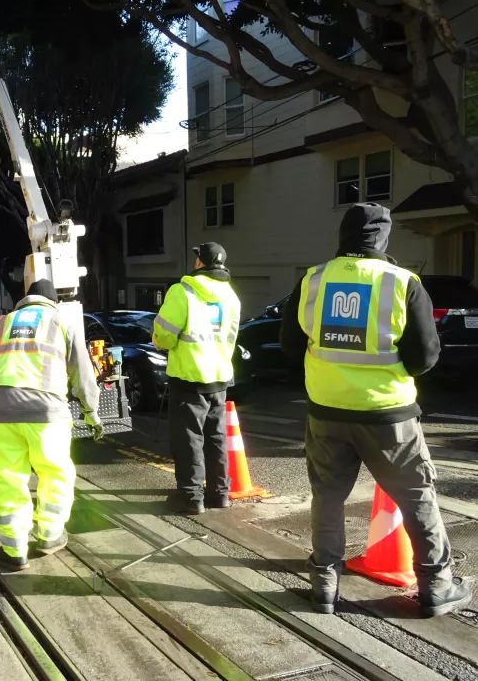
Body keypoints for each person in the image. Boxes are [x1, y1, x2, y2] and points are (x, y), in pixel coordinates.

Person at [280, 203, 472, 617]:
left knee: (327, 497)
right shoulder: (403, 282)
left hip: (326, 410)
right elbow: (424, 356)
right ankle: (436, 586)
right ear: (383, 239)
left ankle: (324, 585)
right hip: (389, 414)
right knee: (417, 496)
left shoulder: (313, 280)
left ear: (343, 236)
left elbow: (291, 346)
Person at [0, 278, 102, 571]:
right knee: (54, 472)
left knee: (8, 477)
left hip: (0, 413)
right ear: (53, 302)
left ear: (25, 300)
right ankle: (49, 535)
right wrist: (91, 411)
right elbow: (82, 373)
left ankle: (13, 550)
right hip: (47, 414)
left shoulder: (2, 324)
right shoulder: (62, 321)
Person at [152, 242, 240, 515]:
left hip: (189, 377)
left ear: (200, 263)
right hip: (220, 377)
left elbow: (164, 334)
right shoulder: (230, 296)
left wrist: (159, 341)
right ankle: (220, 494)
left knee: (189, 439)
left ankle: (191, 498)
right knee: (216, 438)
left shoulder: (183, 291)